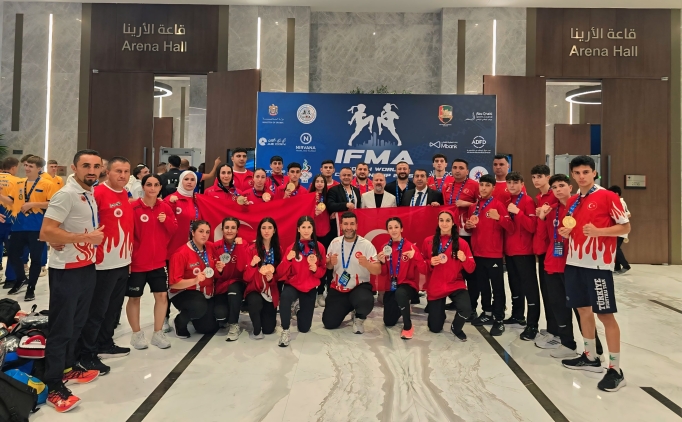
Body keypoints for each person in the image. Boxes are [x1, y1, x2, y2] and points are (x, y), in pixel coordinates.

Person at [40, 149, 105, 413]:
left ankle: (67, 368)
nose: (92, 171)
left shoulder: (88, 192)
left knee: (77, 324)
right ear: (74, 168)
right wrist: (86, 238)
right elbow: (46, 231)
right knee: (61, 328)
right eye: (86, 166)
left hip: (86, 266)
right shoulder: (66, 194)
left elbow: (64, 230)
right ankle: (53, 384)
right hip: (66, 271)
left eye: (96, 166)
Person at [559, 156, 630, 392]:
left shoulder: (608, 196)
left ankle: (615, 369)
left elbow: (625, 227)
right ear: (572, 175)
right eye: (577, 172)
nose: (582, 176)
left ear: (594, 173)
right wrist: (567, 232)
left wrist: (600, 231)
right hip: (574, 262)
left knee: (605, 315)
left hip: (598, 265)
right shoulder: (573, 200)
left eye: (586, 172)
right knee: (582, 310)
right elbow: (575, 227)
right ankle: (590, 356)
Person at [535, 174, 605, 359]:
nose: (558, 190)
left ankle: (595, 350)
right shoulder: (552, 210)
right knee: (558, 307)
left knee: (582, 309)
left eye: (561, 185)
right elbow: (542, 242)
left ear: (570, 187)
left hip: (574, 265)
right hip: (552, 264)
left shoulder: (581, 207)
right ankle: (567, 343)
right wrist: (541, 219)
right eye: (554, 187)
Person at [77, 156, 135, 375]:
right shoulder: (98, 193)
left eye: (126, 171)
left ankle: (105, 343)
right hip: (102, 264)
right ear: (107, 172)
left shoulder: (126, 193)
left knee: (113, 310)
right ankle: (87, 354)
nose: (123, 175)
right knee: (97, 311)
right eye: (118, 171)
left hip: (122, 261)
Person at [127, 174, 177, 350]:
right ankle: (136, 334)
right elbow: (128, 234)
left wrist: (166, 220)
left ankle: (158, 333)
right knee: (134, 298)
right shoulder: (133, 207)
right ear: (143, 186)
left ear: (160, 187)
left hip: (158, 262)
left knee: (162, 296)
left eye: (156, 185)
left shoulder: (165, 207)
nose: (153, 188)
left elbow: (173, 229)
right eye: (149, 184)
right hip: (137, 263)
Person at [466, 174, 514, 336]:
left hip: (493, 254)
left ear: (493, 188)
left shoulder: (498, 205)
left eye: (487, 185)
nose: (484, 188)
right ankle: (487, 312)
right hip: (477, 252)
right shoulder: (474, 206)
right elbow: (470, 229)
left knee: (497, 288)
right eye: (482, 185)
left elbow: (510, 228)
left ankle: (499, 318)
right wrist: (468, 226)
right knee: (483, 286)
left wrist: (499, 217)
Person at [420, 211, 475, 340]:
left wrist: (464, 259)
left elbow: (471, 268)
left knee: (466, 309)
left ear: (453, 223)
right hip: (436, 286)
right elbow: (422, 267)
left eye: (448, 220)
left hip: (455, 283)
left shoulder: (462, 243)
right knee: (435, 328)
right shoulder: (428, 241)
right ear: (438, 222)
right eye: (441, 220)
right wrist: (429, 262)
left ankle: (456, 327)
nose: (444, 223)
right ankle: (439, 314)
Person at [322, 211, 381, 333]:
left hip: (359, 287)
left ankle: (359, 317)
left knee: (365, 300)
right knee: (329, 323)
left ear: (356, 225)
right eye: (346, 224)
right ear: (341, 225)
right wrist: (330, 263)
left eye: (352, 224)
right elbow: (328, 267)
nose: (349, 227)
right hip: (339, 288)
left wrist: (367, 264)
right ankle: (349, 306)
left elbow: (378, 270)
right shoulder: (335, 243)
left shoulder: (366, 245)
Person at [7, 155, 55, 300]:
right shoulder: (19, 183)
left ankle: (31, 288)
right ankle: (21, 278)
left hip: (36, 227)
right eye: (26, 165)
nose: (27, 168)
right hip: (18, 226)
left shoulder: (48, 184)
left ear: (39, 168)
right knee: (13, 255)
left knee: (35, 258)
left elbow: (52, 203)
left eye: (31, 166)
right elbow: (10, 200)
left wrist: (33, 204)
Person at [277, 216, 327, 346]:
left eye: (309, 227)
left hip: (309, 287)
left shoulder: (320, 247)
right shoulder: (291, 248)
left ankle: (298, 309)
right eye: (303, 227)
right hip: (293, 285)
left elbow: (323, 271)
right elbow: (280, 272)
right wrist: (287, 260)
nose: (306, 230)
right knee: (285, 297)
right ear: (298, 229)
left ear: (313, 229)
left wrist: (316, 270)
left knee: (304, 328)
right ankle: (285, 330)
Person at [502, 171, 540, 340]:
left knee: (530, 289)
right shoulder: (506, 201)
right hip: (510, 251)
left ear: (522, 184)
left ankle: (533, 324)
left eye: (515, 182)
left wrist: (518, 212)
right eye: (509, 182)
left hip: (524, 252)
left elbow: (532, 227)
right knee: (515, 286)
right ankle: (518, 315)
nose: (512, 185)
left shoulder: (528, 201)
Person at [169, 220, 222, 338]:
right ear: (193, 233)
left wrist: (218, 269)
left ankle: (194, 315)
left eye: (207, 232)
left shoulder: (210, 247)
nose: (204, 235)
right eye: (201, 231)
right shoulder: (180, 253)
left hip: (205, 293)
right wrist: (194, 280)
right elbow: (174, 284)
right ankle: (179, 322)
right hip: (184, 292)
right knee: (198, 307)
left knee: (208, 328)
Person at [376, 217, 424, 339]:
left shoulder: (411, 247)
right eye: (390, 228)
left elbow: (423, 270)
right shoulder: (385, 248)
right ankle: (404, 306)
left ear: (401, 229)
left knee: (401, 293)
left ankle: (408, 326)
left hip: (408, 285)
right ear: (387, 230)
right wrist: (382, 263)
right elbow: (384, 273)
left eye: (396, 227)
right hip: (392, 287)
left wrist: (416, 256)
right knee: (389, 322)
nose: (393, 230)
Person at [442, 158, 479, 314]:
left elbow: (483, 205)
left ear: (467, 170)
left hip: (468, 234)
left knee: (469, 270)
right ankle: (457, 300)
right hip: (452, 234)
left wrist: (468, 204)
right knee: (455, 270)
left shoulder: (474, 185)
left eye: (461, 168)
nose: (457, 170)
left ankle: (472, 305)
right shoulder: (447, 186)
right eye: (455, 167)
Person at [530, 164, 560, 348]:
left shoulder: (554, 196)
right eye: (534, 177)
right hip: (543, 251)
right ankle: (551, 328)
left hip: (555, 251)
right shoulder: (539, 197)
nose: (536, 180)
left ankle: (558, 333)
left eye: (540, 176)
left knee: (555, 295)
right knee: (547, 293)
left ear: (548, 177)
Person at [243, 217, 283, 339]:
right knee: (255, 302)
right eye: (263, 228)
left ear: (274, 230)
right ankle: (256, 328)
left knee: (269, 329)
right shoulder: (251, 249)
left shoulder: (278, 249)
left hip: (270, 291)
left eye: (270, 228)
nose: (266, 231)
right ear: (259, 230)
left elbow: (280, 275)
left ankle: (264, 319)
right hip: (254, 289)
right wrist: (252, 265)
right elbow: (246, 278)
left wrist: (271, 279)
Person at [211, 217, 249, 341]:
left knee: (233, 290)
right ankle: (228, 314)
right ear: (222, 229)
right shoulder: (216, 246)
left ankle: (234, 324)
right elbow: (214, 273)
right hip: (222, 285)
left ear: (237, 230)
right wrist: (219, 270)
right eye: (227, 227)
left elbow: (242, 267)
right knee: (220, 317)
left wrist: (240, 246)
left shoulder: (243, 244)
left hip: (238, 282)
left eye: (233, 228)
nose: (229, 230)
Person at [308, 174, 332, 307]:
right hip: (311, 233)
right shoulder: (308, 196)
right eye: (317, 181)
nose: (319, 183)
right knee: (310, 261)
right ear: (313, 183)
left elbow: (334, 207)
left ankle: (321, 292)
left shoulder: (329, 196)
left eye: (322, 181)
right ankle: (310, 292)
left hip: (326, 232)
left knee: (323, 263)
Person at [0, 157, 20, 288]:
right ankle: (10, 279)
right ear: (13, 167)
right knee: (13, 249)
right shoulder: (17, 181)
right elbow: (15, 201)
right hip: (10, 218)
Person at [607, 185, 632, 275]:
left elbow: (627, 215)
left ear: (616, 194)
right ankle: (616, 267)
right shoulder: (620, 201)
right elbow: (628, 214)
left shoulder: (619, 201)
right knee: (614, 248)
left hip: (620, 229)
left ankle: (625, 265)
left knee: (615, 248)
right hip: (617, 229)